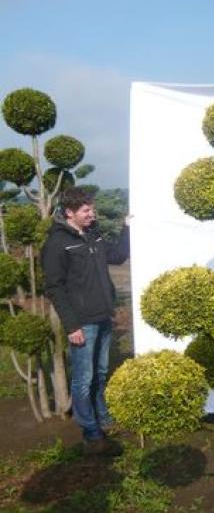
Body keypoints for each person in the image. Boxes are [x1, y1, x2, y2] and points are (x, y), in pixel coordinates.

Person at [42, 187, 130, 451]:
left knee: (101, 373)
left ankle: (103, 416)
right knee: (83, 378)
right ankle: (91, 431)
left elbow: (117, 256)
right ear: (70, 213)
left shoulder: (93, 234)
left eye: (92, 208)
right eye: (86, 210)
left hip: (103, 317)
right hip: (82, 323)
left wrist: (127, 229)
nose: (92, 214)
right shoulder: (57, 243)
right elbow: (54, 288)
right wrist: (72, 326)